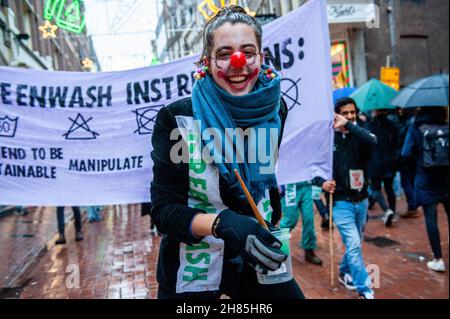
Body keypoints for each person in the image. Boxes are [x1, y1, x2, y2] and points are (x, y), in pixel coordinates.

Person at [150, 6, 303, 299]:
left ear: (261, 57)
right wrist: (222, 223)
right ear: (206, 63)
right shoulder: (177, 118)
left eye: (248, 51)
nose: (238, 62)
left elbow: (265, 178)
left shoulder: (275, 109)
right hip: (194, 263)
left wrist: (271, 222)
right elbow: (164, 211)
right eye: (224, 53)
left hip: (256, 253)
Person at [313, 97, 377, 299]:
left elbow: (373, 141)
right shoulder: (327, 138)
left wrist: (349, 124)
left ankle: (344, 270)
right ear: (336, 114)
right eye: (345, 113)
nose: (350, 116)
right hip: (340, 202)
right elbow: (312, 168)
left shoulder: (361, 133)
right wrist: (321, 182)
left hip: (362, 200)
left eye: (352, 113)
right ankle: (365, 289)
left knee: (355, 242)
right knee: (354, 244)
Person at [401, 107, 449, 272]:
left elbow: (406, 153)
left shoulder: (416, 127)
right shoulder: (446, 125)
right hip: (447, 179)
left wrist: (418, 161)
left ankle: (438, 259)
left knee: (431, 219)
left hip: (426, 178)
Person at [367, 109, 399, 226]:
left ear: (374, 111)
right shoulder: (392, 125)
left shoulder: (370, 126)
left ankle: (387, 210)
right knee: (389, 188)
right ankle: (392, 212)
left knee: (375, 189)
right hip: (389, 161)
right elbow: (396, 143)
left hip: (375, 162)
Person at [280, 182, 323, 265]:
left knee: (309, 219)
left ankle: (309, 250)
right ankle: (279, 247)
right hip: (290, 186)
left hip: (306, 184)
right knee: (290, 221)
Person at [395, 108, 419, 218]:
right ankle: (413, 205)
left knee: (406, 183)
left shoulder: (408, 123)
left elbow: (403, 144)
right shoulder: (413, 121)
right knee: (410, 182)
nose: (400, 110)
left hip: (406, 157)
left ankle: (412, 207)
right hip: (413, 158)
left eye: (402, 108)